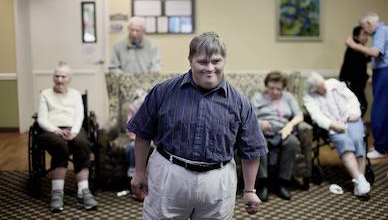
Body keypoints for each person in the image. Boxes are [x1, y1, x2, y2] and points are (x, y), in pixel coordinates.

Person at [128, 32, 268, 219]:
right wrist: (139, 172)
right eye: (202, 62)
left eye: (216, 61)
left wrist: (250, 189)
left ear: (224, 61)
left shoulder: (240, 102)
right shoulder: (163, 92)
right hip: (169, 176)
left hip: (218, 181)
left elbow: (251, 150)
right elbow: (143, 134)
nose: (210, 68)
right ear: (190, 60)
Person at [37, 62, 98, 212]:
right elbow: (42, 119)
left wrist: (74, 132)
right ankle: (57, 193)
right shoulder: (45, 94)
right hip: (51, 130)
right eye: (57, 76)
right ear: (53, 77)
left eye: (63, 76)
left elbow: (79, 116)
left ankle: (83, 191)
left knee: (82, 143)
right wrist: (56, 130)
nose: (59, 79)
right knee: (60, 145)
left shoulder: (76, 94)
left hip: (73, 128)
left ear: (69, 79)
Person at [304, 72, 371, 197]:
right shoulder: (309, 97)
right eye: (320, 88)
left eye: (323, 84)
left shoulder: (334, 84)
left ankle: (359, 182)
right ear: (314, 89)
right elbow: (317, 116)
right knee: (345, 144)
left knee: (357, 139)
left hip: (351, 118)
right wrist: (332, 124)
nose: (324, 88)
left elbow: (352, 98)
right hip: (333, 124)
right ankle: (360, 180)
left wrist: (355, 112)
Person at [251, 71, 304, 201]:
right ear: (266, 86)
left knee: (292, 142)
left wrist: (289, 125)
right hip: (262, 130)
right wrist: (259, 123)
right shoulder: (257, 97)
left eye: (278, 89)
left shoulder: (288, 98)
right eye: (271, 88)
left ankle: (282, 183)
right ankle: (263, 184)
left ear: (283, 88)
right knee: (258, 142)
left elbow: (299, 115)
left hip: (283, 131)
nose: (274, 92)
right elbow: (247, 116)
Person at [345, 12, 388, 159]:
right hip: (380, 72)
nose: (366, 33)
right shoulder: (381, 32)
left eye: (364, 27)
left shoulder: (381, 31)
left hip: (384, 72)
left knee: (379, 111)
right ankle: (382, 145)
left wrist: (354, 45)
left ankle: (381, 148)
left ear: (369, 24)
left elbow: (376, 52)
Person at [339, 26, 371, 117]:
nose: (366, 37)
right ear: (356, 37)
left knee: (358, 106)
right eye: (363, 35)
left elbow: (363, 61)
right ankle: (355, 129)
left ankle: (354, 128)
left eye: (367, 35)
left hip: (353, 83)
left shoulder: (358, 49)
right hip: (351, 83)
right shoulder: (354, 49)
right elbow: (358, 68)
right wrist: (368, 77)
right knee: (361, 105)